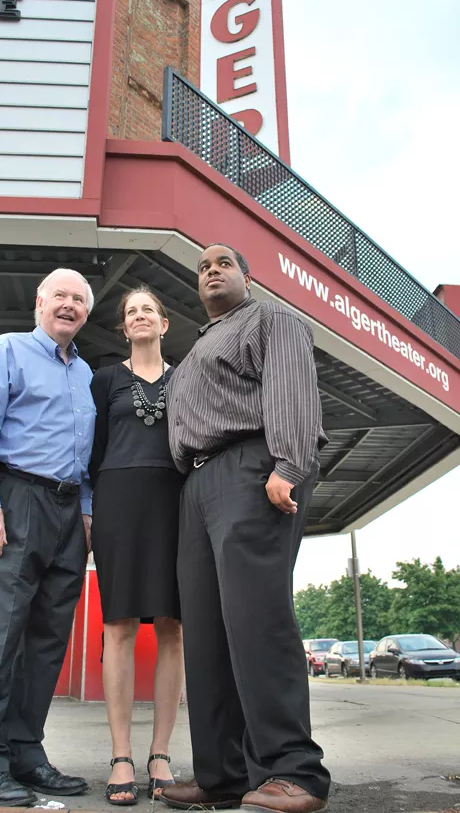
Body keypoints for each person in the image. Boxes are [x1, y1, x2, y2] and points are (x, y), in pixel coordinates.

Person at [162, 244, 331, 813]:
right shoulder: (193, 353)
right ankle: (223, 776)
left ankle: (295, 772)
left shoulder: (271, 318)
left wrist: (288, 463)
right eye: (203, 267)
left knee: (257, 621)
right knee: (207, 634)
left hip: (252, 467)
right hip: (198, 484)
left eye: (223, 263)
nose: (211, 271)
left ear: (246, 277)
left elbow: (290, 389)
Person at [0, 267, 96, 807]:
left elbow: (87, 456)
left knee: (46, 642)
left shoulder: (86, 375)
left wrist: (86, 515)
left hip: (69, 512)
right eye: (59, 295)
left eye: (78, 300)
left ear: (86, 313)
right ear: (39, 302)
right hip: (16, 500)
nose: (68, 305)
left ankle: (25, 751)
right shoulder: (7, 350)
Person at [89, 286, 185, 806]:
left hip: (177, 506)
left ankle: (161, 752)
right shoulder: (104, 380)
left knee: (173, 627)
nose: (140, 316)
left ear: (164, 324)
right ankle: (122, 754)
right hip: (118, 504)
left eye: (149, 308)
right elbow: (93, 449)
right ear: (124, 328)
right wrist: (88, 508)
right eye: (132, 312)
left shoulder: (187, 377)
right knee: (119, 625)